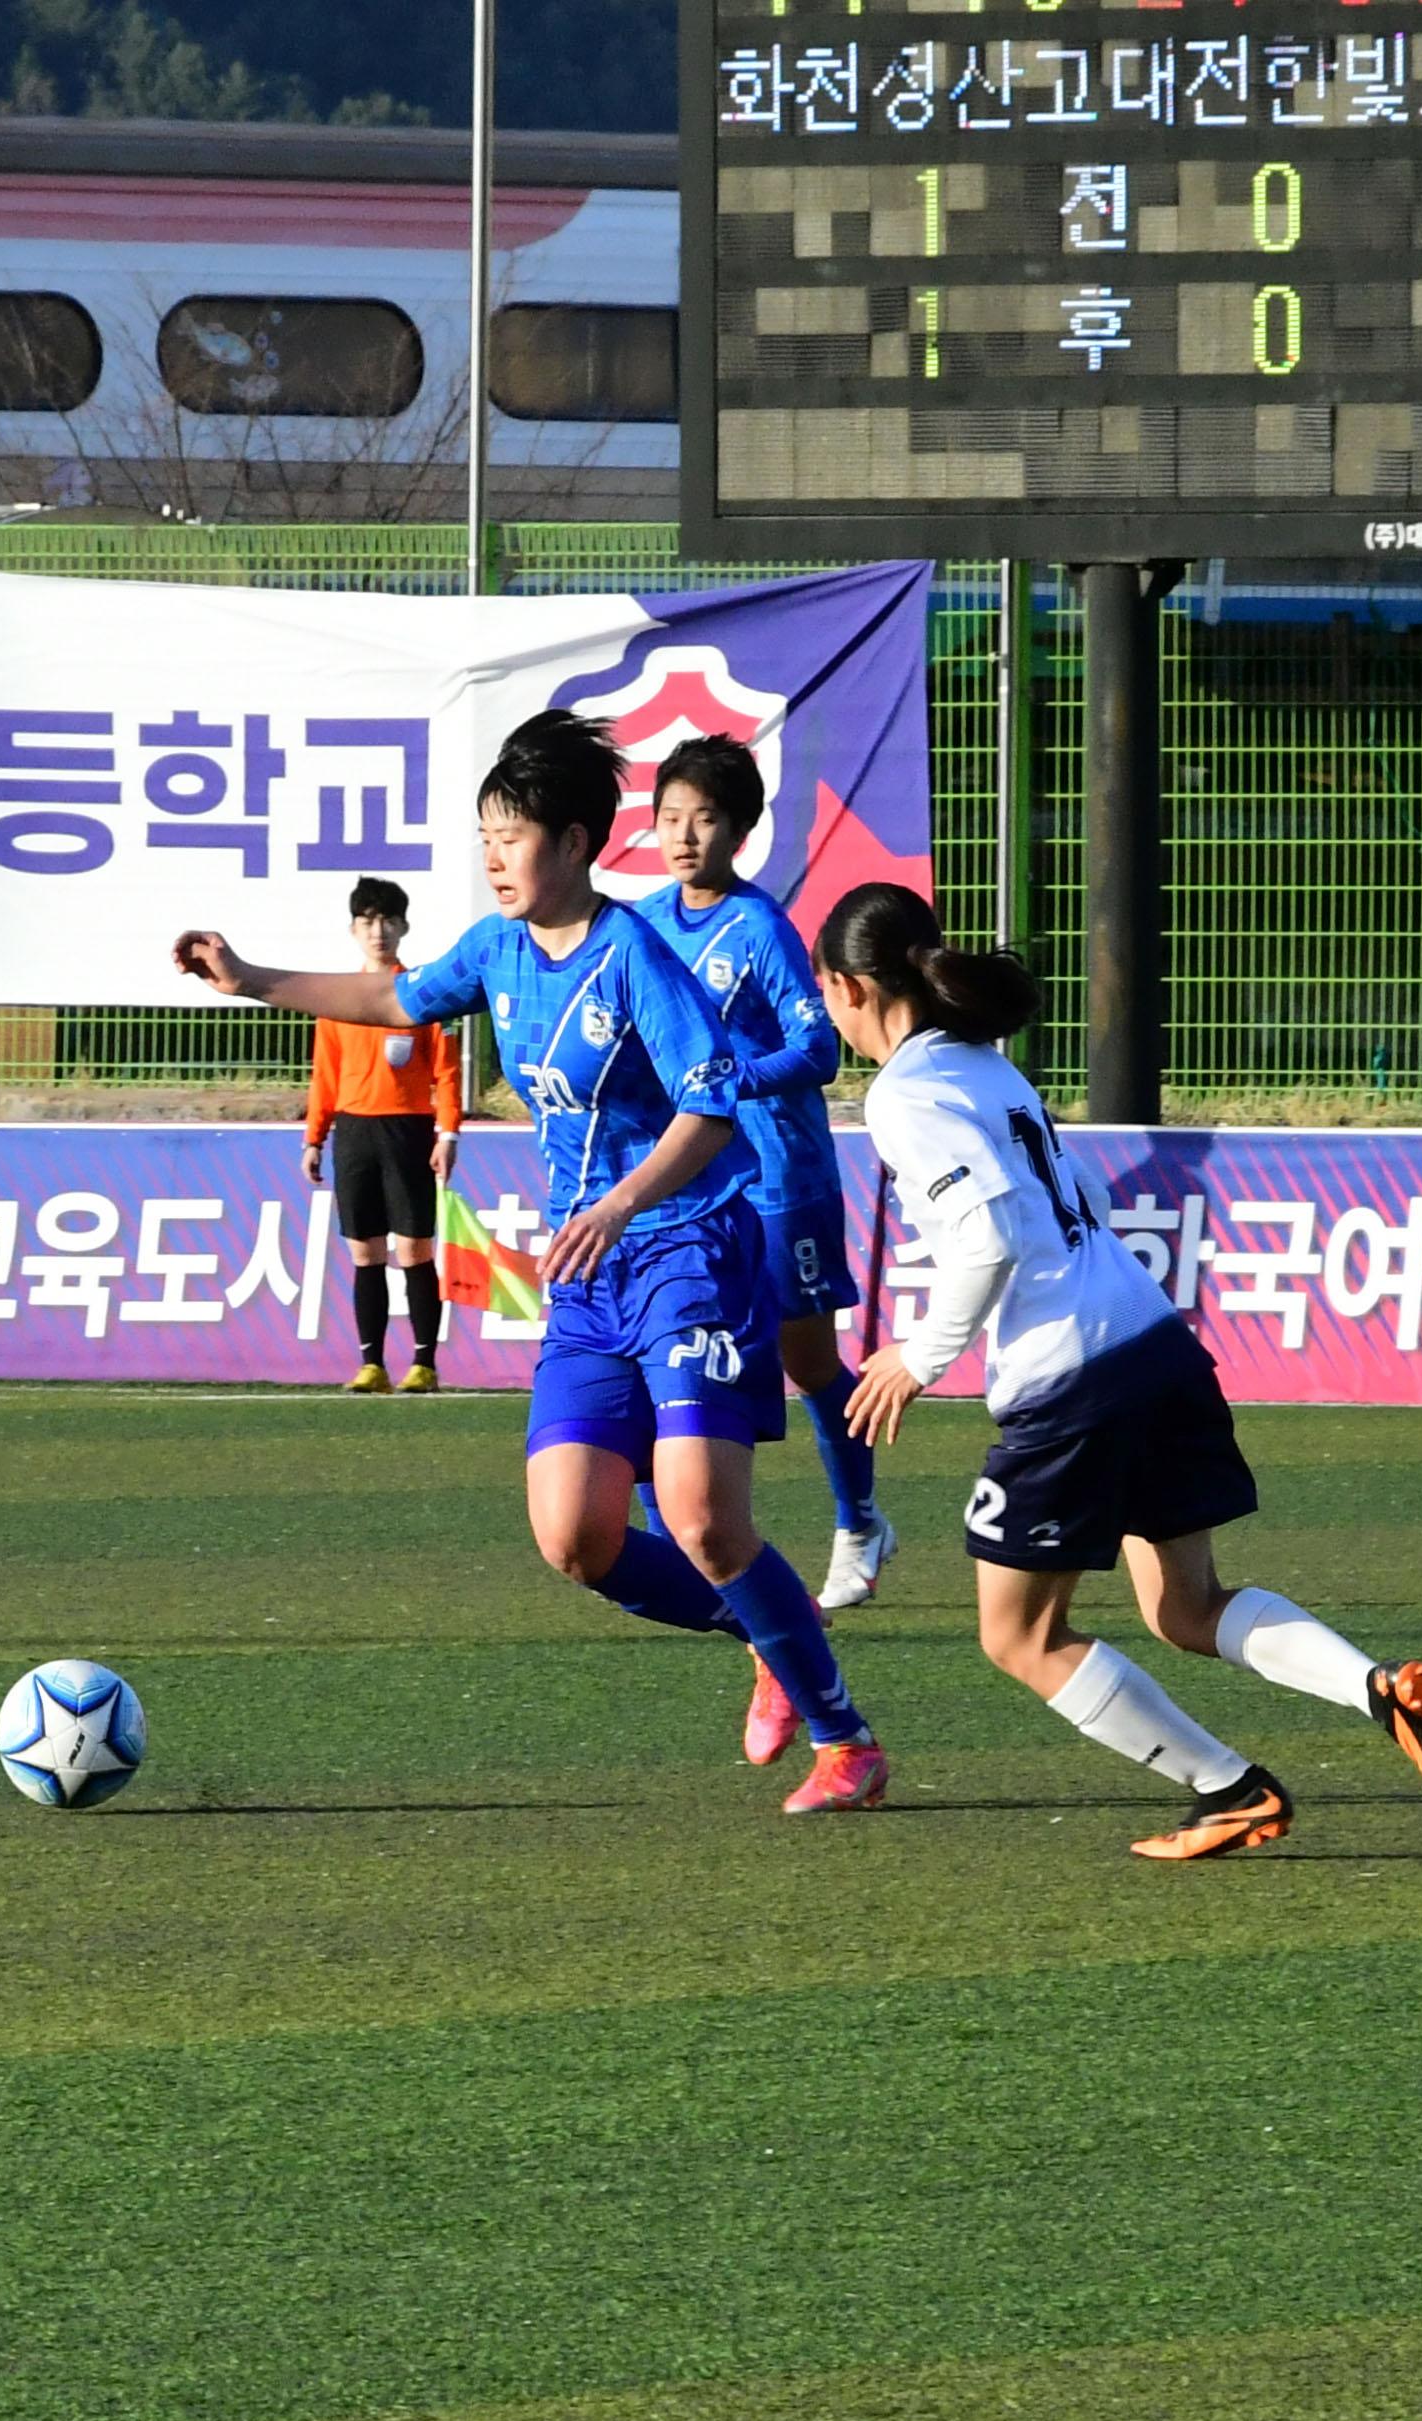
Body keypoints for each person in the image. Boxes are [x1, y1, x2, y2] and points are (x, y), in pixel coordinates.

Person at [173, 710, 890, 1814]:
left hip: (691, 1248)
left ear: (575, 841)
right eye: (485, 836)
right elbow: (389, 997)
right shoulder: (498, 950)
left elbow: (712, 1112)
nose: (493, 856)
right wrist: (250, 975)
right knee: (577, 1535)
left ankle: (846, 1740)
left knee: (702, 1516)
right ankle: (761, 1629)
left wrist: (620, 1200)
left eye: (511, 836)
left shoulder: (639, 955)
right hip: (588, 1274)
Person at [822, 882, 1422, 1860]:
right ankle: (1376, 1686)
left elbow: (995, 1231)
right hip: (1152, 1341)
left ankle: (1231, 1788)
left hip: (1071, 1383)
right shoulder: (985, 1067)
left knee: (1019, 1636)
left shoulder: (904, 1094)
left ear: (848, 987)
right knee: (1186, 1606)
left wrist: (917, 1356)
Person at [636, 736, 894, 1656]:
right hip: (690, 1185)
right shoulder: (642, 924)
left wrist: (722, 1080)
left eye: (704, 818)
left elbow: (819, 1052)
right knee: (667, 1352)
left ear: (740, 830)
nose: (683, 835)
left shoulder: (761, 929)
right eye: (669, 817)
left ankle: (860, 1522)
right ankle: (679, 1550)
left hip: (781, 1177)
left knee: (809, 1362)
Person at [301, 876, 463, 1394]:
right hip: (353, 1132)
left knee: (415, 1250)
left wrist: (448, 1133)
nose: (379, 931)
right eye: (369, 921)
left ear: (404, 927)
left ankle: (424, 1364)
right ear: (353, 929)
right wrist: (314, 1137)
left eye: (389, 921)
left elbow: (446, 1071)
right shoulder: (338, 1000)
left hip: (408, 1130)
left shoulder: (420, 994)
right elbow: (324, 1074)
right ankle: (371, 1364)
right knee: (365, 1253)